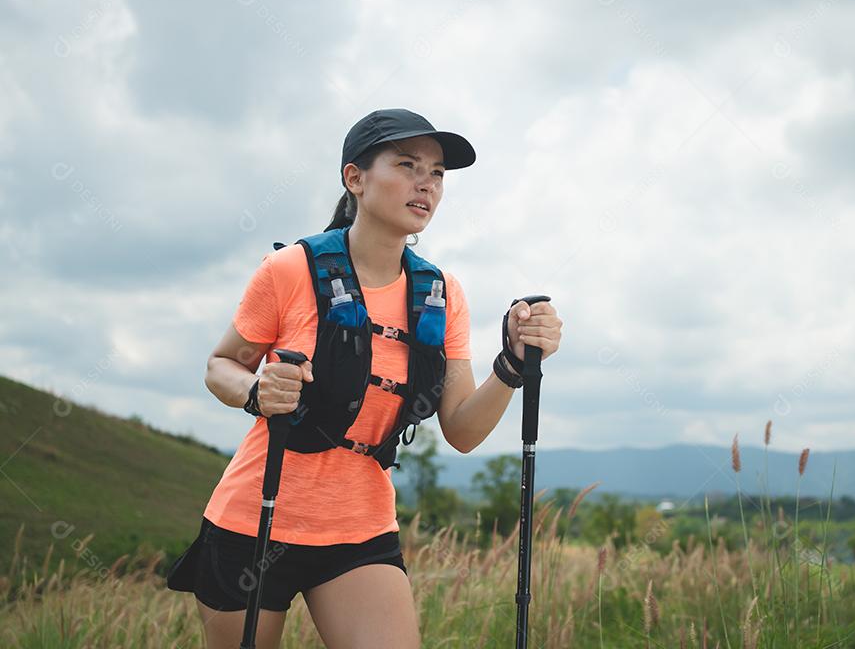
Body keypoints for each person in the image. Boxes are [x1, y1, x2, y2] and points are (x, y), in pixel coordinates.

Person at [165, 108, 563, 648]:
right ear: (355, 178)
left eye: (438, 172)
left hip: (361, 529)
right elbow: (221, 365)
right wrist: (257, 392)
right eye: (406, 164)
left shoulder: (441, 294)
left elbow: (463, 433)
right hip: (252, 522)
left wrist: (512, 365)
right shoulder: (291, 270)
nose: (426, 183)